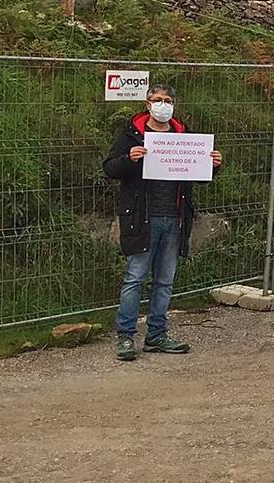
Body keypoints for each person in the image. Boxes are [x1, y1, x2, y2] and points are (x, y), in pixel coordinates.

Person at [103, 84, 222, 362]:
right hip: (141, 217)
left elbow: (199, 176)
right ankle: (126, 335)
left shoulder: (184, 135)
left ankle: (157, 334)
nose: (163, 104)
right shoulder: (132, 134)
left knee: (165, 281)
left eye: (168, 100)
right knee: (135, 277)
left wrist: (214, 165)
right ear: (147, 104)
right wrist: (128, 159)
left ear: (174, 104)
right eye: (158, 100)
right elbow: (109, 167)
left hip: (175, 217)